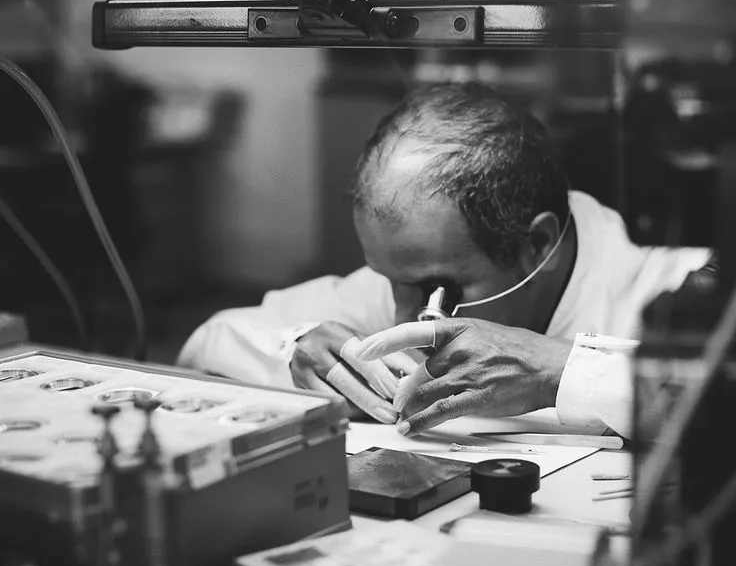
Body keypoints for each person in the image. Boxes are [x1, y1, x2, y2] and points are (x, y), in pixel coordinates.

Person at [179, 84, 709, 438]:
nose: (406, 315)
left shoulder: (673, 290)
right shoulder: (404, 284)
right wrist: (299, 350)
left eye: (438, 288)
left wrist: (559, 371)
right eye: (391, 279)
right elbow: (211, 341)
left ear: (538, 245)